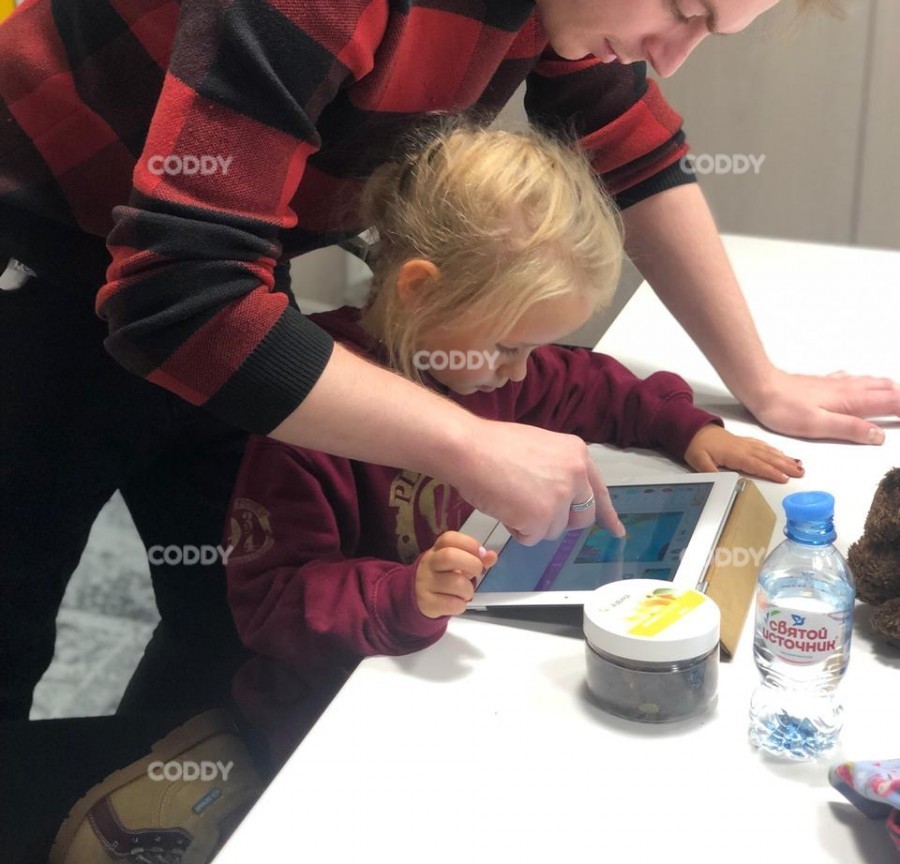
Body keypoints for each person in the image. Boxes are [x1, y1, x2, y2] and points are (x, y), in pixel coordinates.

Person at [1, 0, 895, 722]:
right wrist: (471, 445)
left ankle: (163, 789)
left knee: (231, 618)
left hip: (218, 269)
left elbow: (629, 145)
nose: (669, 57)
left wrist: (759, 379)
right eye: (681, 7)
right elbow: (176, 299)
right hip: (41, 258)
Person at [224, 122, 805, 769]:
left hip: (454, 671)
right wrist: (405, 593)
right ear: (420, 290)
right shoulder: (308, 422)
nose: (522, 371)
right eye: (508, 347)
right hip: (330, 720)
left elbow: (588, 384)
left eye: (533, 348)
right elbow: (269, 603)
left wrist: (686, 426)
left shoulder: (482, 368)